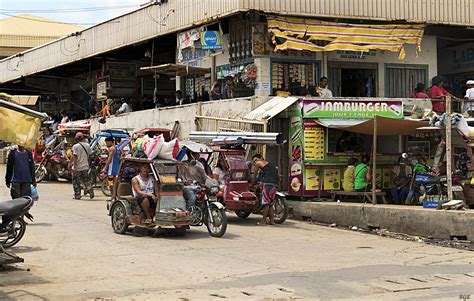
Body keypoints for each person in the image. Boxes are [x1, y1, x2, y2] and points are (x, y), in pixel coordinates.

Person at [252, 154, 279, 226]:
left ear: (260, 158)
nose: (255, 162)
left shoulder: (259, 163)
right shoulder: (269, 164)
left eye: (256, 160)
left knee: (266, 203)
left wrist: (251, 184)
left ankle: (263, 221)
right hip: (275, 184)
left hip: (268, 185)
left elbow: (254, 176)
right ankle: (272, 220)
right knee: (270, 203)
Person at [68, 132, 94, 200]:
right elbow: (90, 156)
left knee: (76, 182)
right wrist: (88, 163)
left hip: (78, 167)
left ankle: (77, 195)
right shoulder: (87, 145)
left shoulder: (75, 146)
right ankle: (89, 187)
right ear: (83, 138)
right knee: (86, 180)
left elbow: (74, 157)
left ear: (76, 138)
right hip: (85, 166)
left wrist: (74, 166)